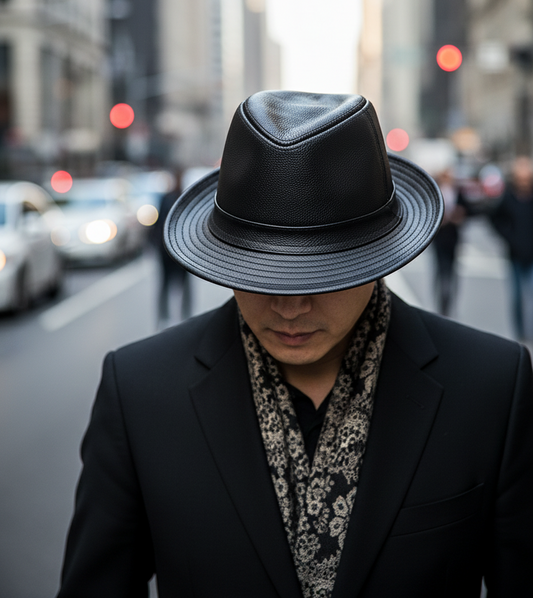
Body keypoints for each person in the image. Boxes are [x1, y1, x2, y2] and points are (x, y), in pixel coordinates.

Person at [57, 92, 533, 598]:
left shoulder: (490, 389)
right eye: (259, 273)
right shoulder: (139, 396)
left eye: (323, 274)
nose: (289, 306)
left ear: (377, 255)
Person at [490, 156, 533, 342]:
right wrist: (509, 238)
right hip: (515, 255)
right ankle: (520, 332)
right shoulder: (508, 197)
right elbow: (495, 218)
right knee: (516, 296)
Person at [153, 170, 192, 321]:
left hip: (181, 251)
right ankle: (164, 315)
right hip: (167, 250)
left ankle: (183, 314)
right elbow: (158, 223)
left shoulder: (183, 198)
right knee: (165, 284)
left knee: (182, 286)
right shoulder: (169, 198)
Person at [431, 168, 468, 316]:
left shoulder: (458, 192)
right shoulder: (436, 191)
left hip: (453, 238)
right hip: (439, 238)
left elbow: (468, 210)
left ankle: (449, 304)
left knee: (451, 272)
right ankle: (442, 304)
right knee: (441, 271)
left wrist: (460, 214)